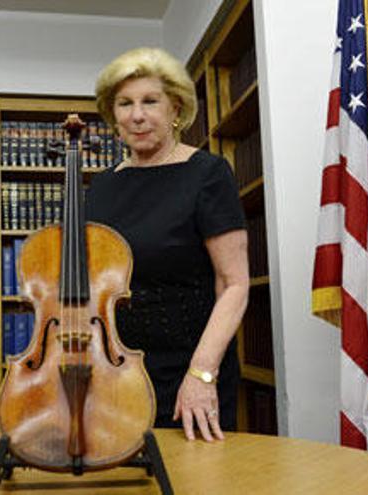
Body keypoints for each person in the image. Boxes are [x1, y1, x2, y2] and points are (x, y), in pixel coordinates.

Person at [86, 47, 249, 442]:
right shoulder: (101, 186)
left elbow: (233, 285)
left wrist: (202, 374)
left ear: (176, 108)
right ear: (113, 116)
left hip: (190, 370)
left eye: (149, 101)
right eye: (124, 103)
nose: (136, 115)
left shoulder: (207, 174)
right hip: (115, 372)